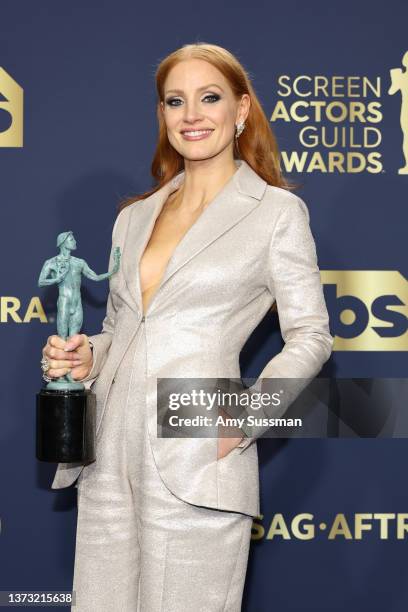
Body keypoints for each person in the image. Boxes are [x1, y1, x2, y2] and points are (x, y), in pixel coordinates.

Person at [41, 42, 334, 611]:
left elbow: (312, 336)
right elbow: (124, 327)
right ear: (162, 115)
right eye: (176, 101)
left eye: (210, 98)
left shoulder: (275, 213)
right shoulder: (134, 217)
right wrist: (88, 358)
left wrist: (242, 420)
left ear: (242, 110)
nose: (192, 115)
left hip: (196, 447)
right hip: (105, 454)